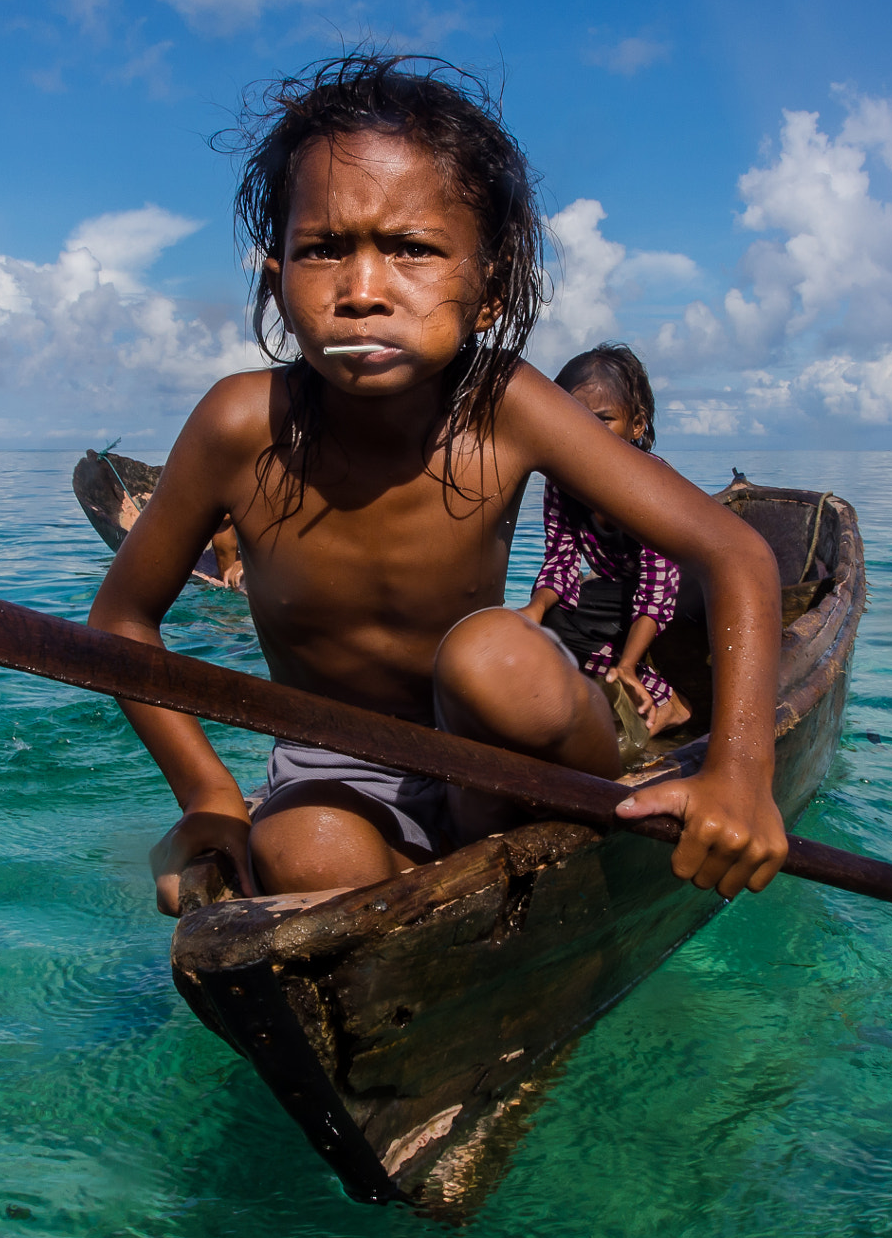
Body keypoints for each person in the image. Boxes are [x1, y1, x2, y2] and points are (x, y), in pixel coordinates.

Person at [87, 54, 784, 917]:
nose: (362, 291)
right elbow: (121, 621)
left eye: (412, 249)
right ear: (277, 279)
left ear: (488, 291)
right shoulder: (239, 426)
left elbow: (733, 549)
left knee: (490, 657)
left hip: (507, 750)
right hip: (334, 773)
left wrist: (741, 772)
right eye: (323, 249)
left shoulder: (508, 405)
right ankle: (432, 930)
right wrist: (210, 796)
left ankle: (501, 853)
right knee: (296, 848)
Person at [519, 344, 692, 754]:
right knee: (553, 623)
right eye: (574, 421)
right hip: (622, 591)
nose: (587, 435)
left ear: (637, 425)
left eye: (604, 421)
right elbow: (560, 561)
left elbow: (658, 587)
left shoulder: (652, 488)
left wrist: (629, 664)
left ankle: (671, 705)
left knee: (586, 627)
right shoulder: (564, 483)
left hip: (686, 593)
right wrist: (533, 614)